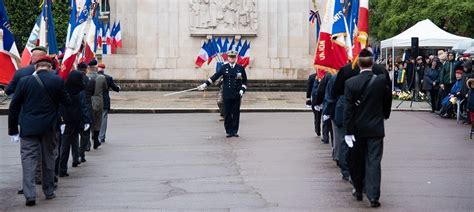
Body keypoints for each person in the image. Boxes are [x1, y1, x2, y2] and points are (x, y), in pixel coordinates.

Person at [8, 56, 71, 206]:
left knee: (28, 160)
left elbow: (14, 106)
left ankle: (30, 194)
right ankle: (48, 191)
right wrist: (61, 120)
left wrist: (12, 129)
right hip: (49, 127)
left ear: (36, 67)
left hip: (28, 127)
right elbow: (66, 102)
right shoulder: (57, 81)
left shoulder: (25, 82)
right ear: (50, 67)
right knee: (48, 158)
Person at [343, 49, 392, 208]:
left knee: (358, 161)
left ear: (358, 64)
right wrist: (385, 115)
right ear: (372, 63)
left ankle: (358, 189)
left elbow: (348, 109)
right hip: (376, 126)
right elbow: (387, 101)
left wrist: (348, 131)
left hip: (357, 128)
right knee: (374, 162)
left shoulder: (350, 83)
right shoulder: (382, 80)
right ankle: (373, 196)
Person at [198, 50, 248, 137]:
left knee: (236, 113)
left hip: (237, 94)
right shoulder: (224, 68)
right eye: (230, 57)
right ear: (228, 58)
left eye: (233, 57)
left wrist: (242, 90)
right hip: (227, 94)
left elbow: (245, 81)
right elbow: (215, 76)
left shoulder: (240, 68)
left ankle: (235, 131)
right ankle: (228, 131)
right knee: (227, 113)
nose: (232, 59)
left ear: (235, 58)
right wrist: (205, 84)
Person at [58, 67, 89, 177]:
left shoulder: (74, 90)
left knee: (71, 141)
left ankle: (73, 160)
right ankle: (61, 168)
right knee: (64, 146)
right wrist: (62, 121)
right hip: (68, 121)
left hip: (74, 121)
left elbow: (82, 105)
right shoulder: (67, 91)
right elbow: (62, 107)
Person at [87, 60, 108, 149]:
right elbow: (105, 88)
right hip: (98, 101)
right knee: (97, 121)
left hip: (88, 101)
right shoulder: (101, 78)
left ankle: (87, 144)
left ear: (89, 68)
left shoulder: (85, 77)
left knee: (87, 121)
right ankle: (96, 140)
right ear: (95, 68)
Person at [97, 63, 121, 143]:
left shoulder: (92, 77)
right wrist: (118, 88)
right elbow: (115, 88)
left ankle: (94, 135)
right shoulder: (108, 78)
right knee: (103, 119)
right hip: (104, 100)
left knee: (94, 118)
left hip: (94, 101)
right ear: (103, 69)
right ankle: (101, 136)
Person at [315, 73, 335, 145]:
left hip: (327, 99)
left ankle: (325, 136)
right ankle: (333, 140)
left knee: (326, 119)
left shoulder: (328, 75)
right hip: (337, 101)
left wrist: (318, 102)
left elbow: (321, 90)